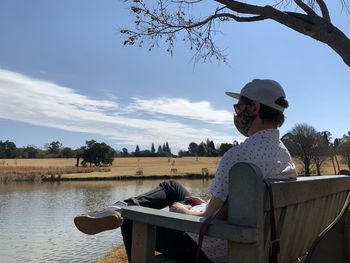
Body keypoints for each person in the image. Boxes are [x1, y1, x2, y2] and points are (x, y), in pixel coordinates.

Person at [74, 79, 297, 263]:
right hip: (258, 242)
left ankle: (122, 211)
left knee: (134, 221)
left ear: (255, 108)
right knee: (173, 187)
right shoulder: (284, 155)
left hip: (219, 249)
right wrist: (203, 204)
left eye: (239, 107)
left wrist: (184, 211)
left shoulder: (238, 157)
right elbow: (226, 209)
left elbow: (211, 217)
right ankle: (117, 208)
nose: (237, 113)